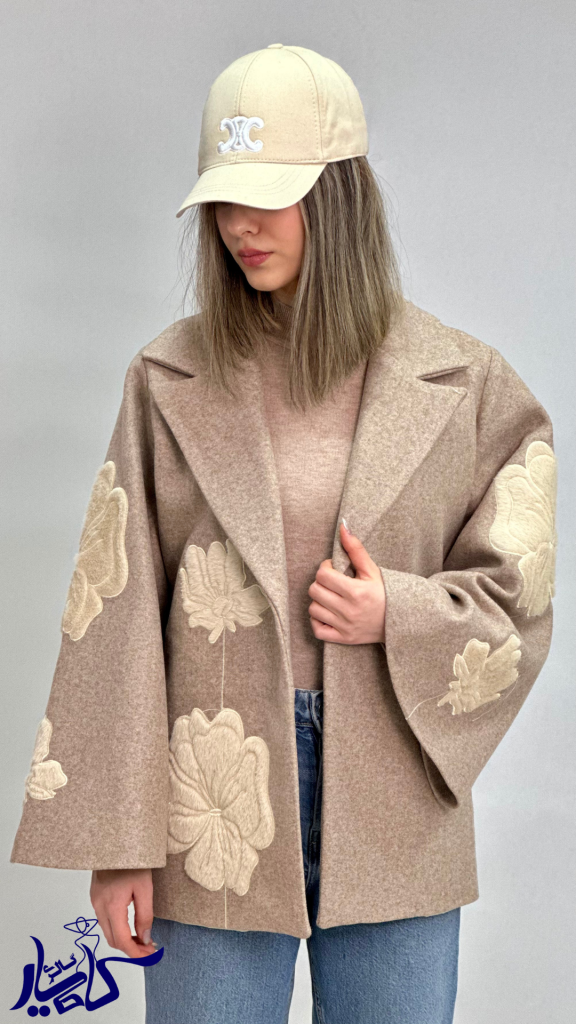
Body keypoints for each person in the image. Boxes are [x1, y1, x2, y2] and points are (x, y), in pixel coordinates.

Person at [10, 44, 557, 1024]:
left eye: (270, 196)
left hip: (396, 789)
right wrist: (120, 841)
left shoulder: (467, 385)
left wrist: (398, 611)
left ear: (339, 195)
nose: (239, 226)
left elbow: (522, 588)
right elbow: (115, 612)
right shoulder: (166, 380)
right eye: (223, 199)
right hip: (207, 794)